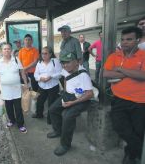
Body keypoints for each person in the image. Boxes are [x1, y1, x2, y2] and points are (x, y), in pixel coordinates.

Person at [103, 26, 145, 164]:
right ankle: (138, 150)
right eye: (123, 39)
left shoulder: (143, 55)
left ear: (138, 40)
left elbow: (143, 76)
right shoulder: (115, 55)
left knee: (137, 130)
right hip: (119, 100)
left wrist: (121, 69)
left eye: (129, 39)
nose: (125, 42)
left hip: (140, 101)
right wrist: (132, 73)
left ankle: (130, 156)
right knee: (120, 127)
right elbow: (106, 73)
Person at [47, 52, 93, 156]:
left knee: (67, 117)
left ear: (76, 62)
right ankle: (58, 131)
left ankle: (65, 145)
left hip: (81, 99)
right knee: (52, 109)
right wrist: (64, 91)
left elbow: (90, 94)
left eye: (68, 62)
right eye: (63, 63)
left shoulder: (83, 75)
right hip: (68, 94)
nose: (65, 65)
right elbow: (66, 79)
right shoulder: (65, 70)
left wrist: (73, 102)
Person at [0, 43, 28, 133]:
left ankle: (21, 124)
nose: (6, 50)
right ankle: (11, 121)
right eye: (4, 49)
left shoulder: (16, 60)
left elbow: (22, 72)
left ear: (11, 50)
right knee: (8, 107)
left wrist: (25, 84)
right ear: (2, 51)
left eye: (8, 49)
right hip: (5, 90)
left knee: (18, 107)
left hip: (16, 89)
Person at [33, 46, 62, 123]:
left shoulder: (55, 61)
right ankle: (39, 114)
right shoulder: (39, 63)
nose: (43, 55)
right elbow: (35, 74)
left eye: (45, 53)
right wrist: (40, 78)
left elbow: (60, 73)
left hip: (53, 86)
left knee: (51, 103)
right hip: (42, 86)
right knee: (39, 101)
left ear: (50, 54)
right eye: (42, 53)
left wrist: (51, 77)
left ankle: (50, 119)